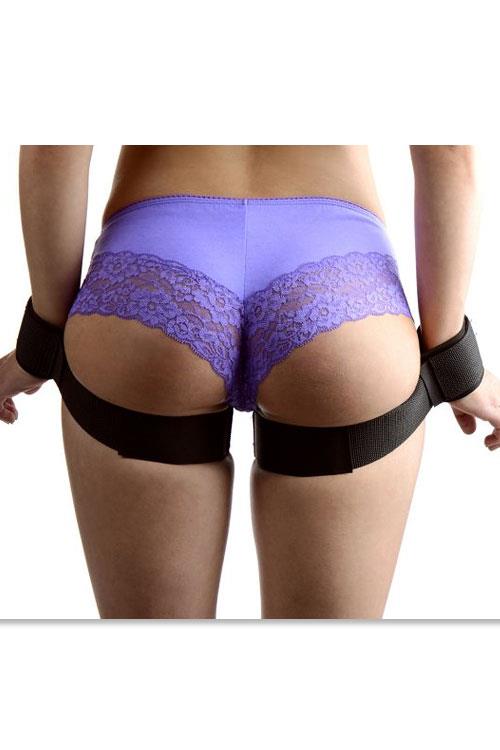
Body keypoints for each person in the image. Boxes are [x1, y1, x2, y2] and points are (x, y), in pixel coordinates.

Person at [1, 145, 498, 619]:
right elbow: (449, 154)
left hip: (152, 274)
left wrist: (41, 342)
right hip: (339, 285)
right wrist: (453, 359)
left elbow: (52, 150)